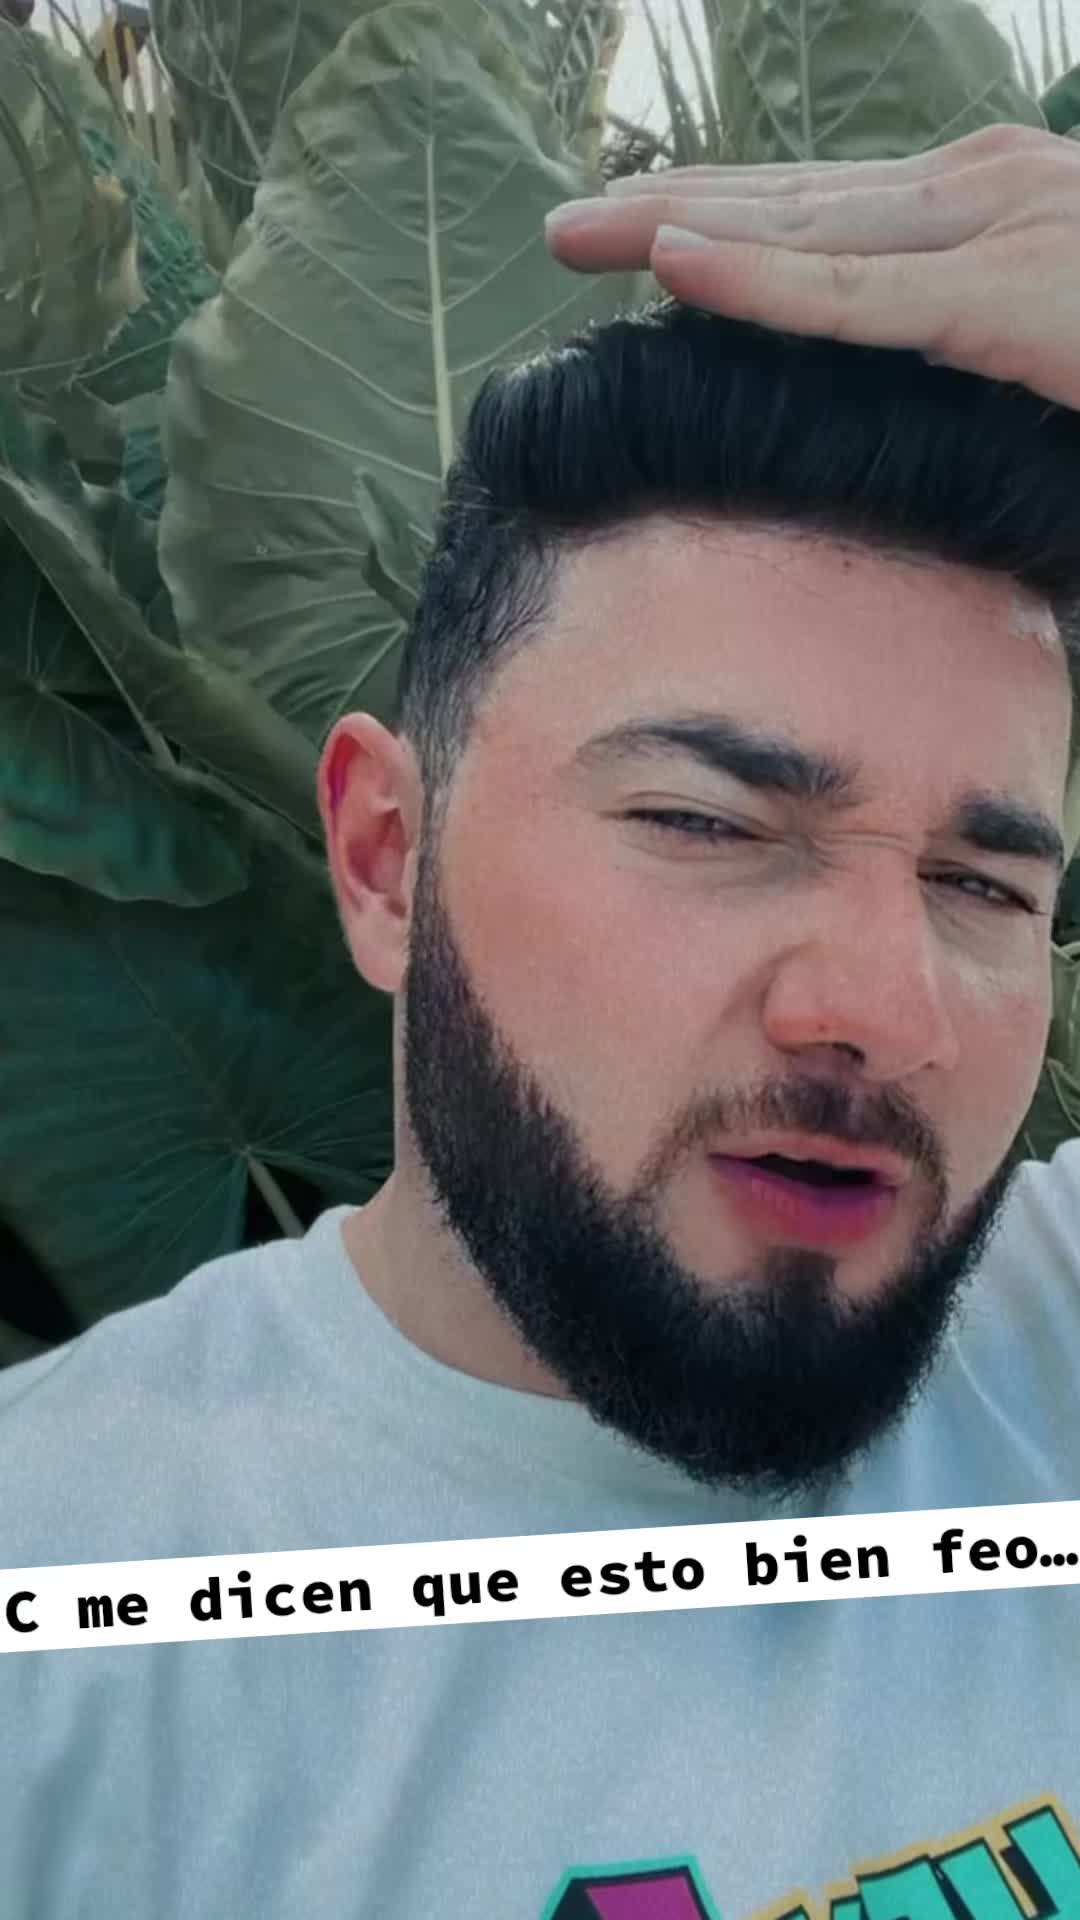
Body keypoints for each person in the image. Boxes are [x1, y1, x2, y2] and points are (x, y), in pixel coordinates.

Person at [2, 122, 1080, 1919]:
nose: (884, 1011)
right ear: (383, 858)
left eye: (983, 886)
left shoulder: (1051, 1361)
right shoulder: (65, 1611)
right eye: (709, 825)